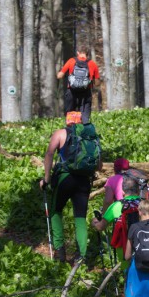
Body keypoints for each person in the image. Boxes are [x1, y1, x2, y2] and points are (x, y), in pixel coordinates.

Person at [40, 111, 101, 263]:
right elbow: (98, 165)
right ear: (81, 122)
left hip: (65, 178)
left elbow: (49, 154)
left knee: (55, 210)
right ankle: (82, 256)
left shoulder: (61, 133)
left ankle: (60, 251)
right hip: (84, 181)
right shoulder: (91, 137)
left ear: (68, 121)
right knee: (80, 217)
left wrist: (46, 179)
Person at [57, 47, 100, 124]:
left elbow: (59, 76)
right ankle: (84, 132)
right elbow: (97, 83)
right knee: (85, 117)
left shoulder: (71, 61)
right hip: (86, 93)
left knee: (70, 116)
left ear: (78, 52)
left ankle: (71, 133)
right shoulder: (92, 64)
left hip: (71, 92)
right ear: (88, 53)